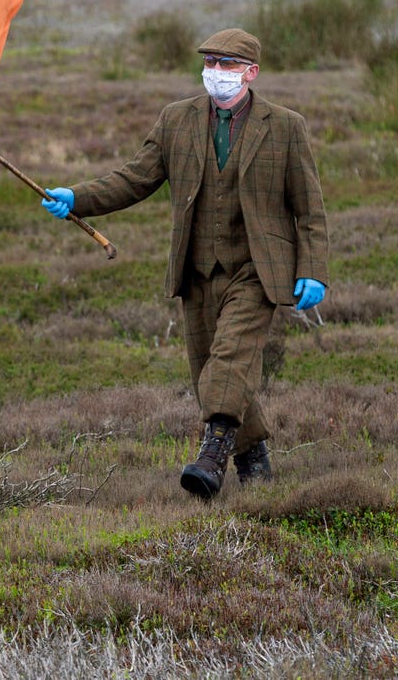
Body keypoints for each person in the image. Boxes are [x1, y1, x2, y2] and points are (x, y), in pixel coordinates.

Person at [40, 28, 329, 500]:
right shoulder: (176, 119)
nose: (217, 73)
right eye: (211, 62)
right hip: (196, 268)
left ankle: (211, 458)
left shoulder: (285, 126)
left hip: (259, 268)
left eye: (228, 65)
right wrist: (78, 198)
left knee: (230, 358)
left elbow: (310, 207)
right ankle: (254, 464)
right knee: (206, 372)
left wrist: (313, 269)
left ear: (251, 73)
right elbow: (135, 178)